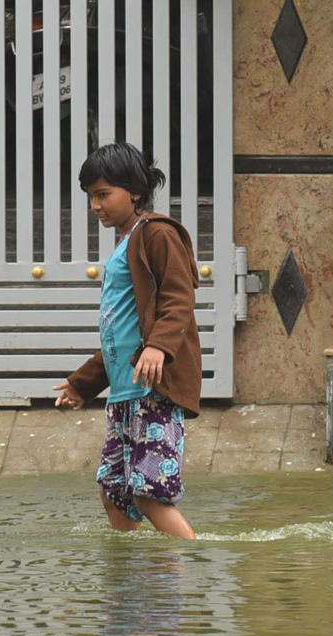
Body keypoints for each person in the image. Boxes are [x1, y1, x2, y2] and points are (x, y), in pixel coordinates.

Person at [52, 142, 202, 540]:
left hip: (153, 390)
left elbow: (180, 295)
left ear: (134, 191)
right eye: (91, 197)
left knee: (150, 493)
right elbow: (121, 335)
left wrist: (160, 347)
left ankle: (188, 570)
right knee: (114, 490)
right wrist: (82, 384)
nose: (95, 206)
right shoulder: (126, 243)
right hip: (124, 395)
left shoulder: (157, 233)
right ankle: (132, 578)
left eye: (103, 194)